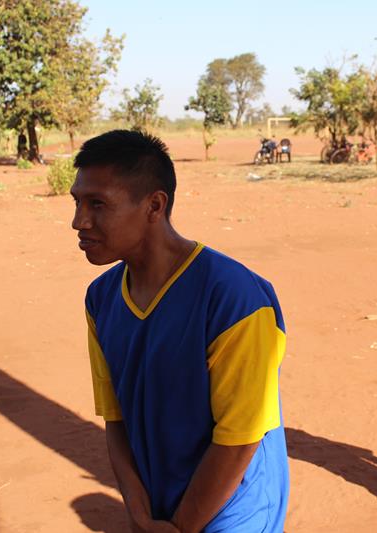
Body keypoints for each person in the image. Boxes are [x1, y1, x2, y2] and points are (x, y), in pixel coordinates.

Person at [70, 130, 289, 532]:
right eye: (77, 202)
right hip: (160, 508)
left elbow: (240, 438)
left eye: (97, 204)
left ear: (154, 205)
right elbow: (115, 418)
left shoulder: (234, 299)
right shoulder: (101, 299)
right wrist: (139, 513)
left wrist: (182, 526)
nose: (79, 221)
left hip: (233, 510)